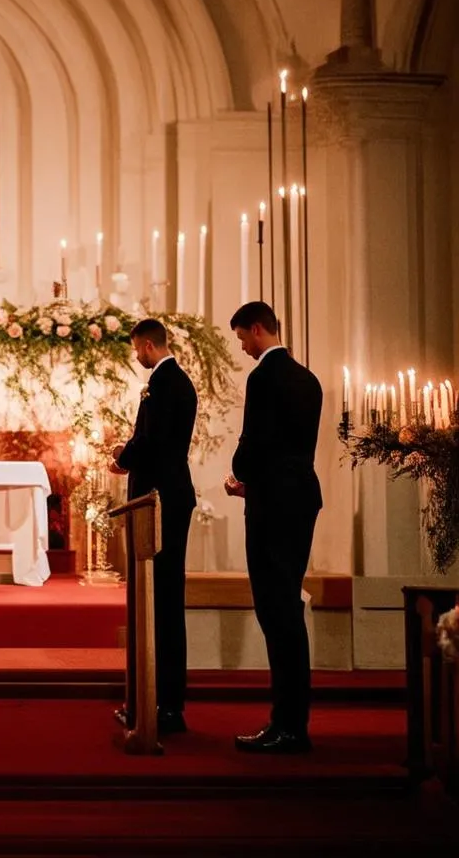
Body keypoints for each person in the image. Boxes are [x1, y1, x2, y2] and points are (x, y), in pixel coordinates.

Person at [224, 301, 323, 754]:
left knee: (274, 612)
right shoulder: (309, 379)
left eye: (243, 337)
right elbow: (294, 451)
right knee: (289, 610)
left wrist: (241, 474)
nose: (243, 347)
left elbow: (253, 446)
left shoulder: (263, 377)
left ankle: (287, 725)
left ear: (259, 329)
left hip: (271, 510)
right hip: (300, 500)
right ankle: (292, 720)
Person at [112, 318, 198, 735]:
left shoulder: (165, 384)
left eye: (135, 349)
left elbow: (152, 441)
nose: (135, 356)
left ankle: (165, 704)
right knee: (160, 600)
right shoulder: (173, 382)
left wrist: (122, 455)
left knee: (162, 602)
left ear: (148, 345)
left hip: (160, 501)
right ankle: (158, 700)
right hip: (164, 497)